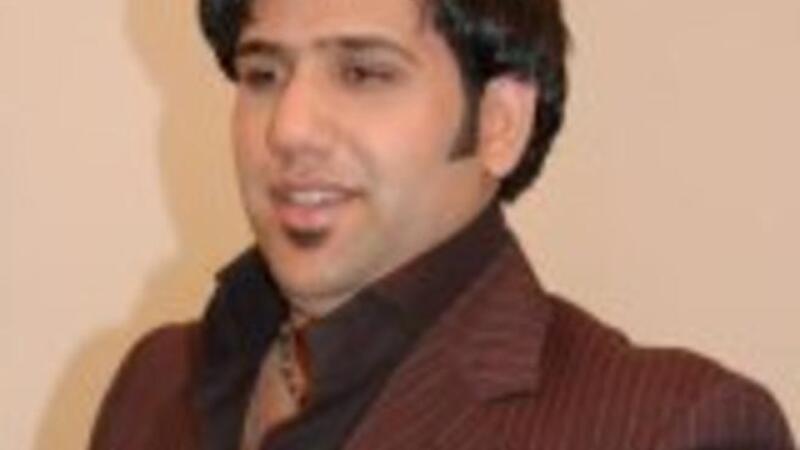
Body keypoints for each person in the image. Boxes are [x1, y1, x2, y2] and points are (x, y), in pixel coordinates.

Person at [90, 0, 796, 448]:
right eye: (264, 75)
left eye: (363, 73)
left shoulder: (672, 429)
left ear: (499, 122)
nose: (289, 129)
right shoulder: (157, 380)